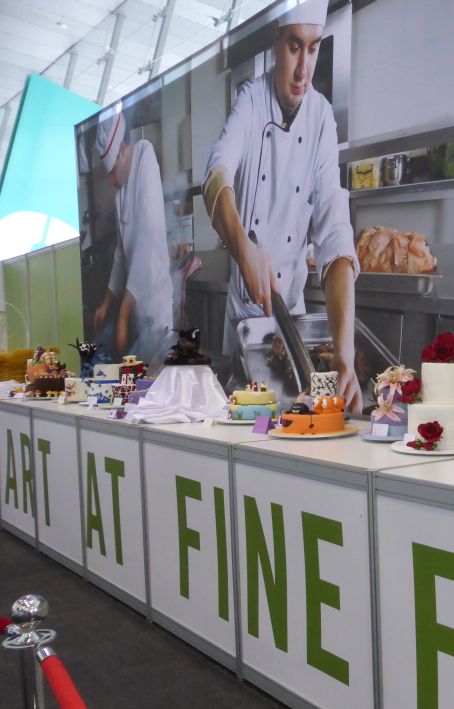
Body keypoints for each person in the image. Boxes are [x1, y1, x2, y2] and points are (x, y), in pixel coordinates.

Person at [202, 0, 361, 412]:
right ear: (276, 42)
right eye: (295, 46)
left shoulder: (323, 118)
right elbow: (216, 173)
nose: (303, 68)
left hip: (293, 317)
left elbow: (334, 232)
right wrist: (243, 247)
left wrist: (344, 352)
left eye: (313, 48)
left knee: (304, 418)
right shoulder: (251, 101)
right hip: (245, 322)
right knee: (251, 421)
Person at [92, 106, 174, 362]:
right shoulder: (120, 193)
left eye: (113, 170)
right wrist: (107, 303)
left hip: (154, 308)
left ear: (123, 151)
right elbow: (121, 255)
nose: (112, 180)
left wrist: (123, 317)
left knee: (151, 377)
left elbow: (147, 243)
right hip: (134, 309)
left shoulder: (144, 156)